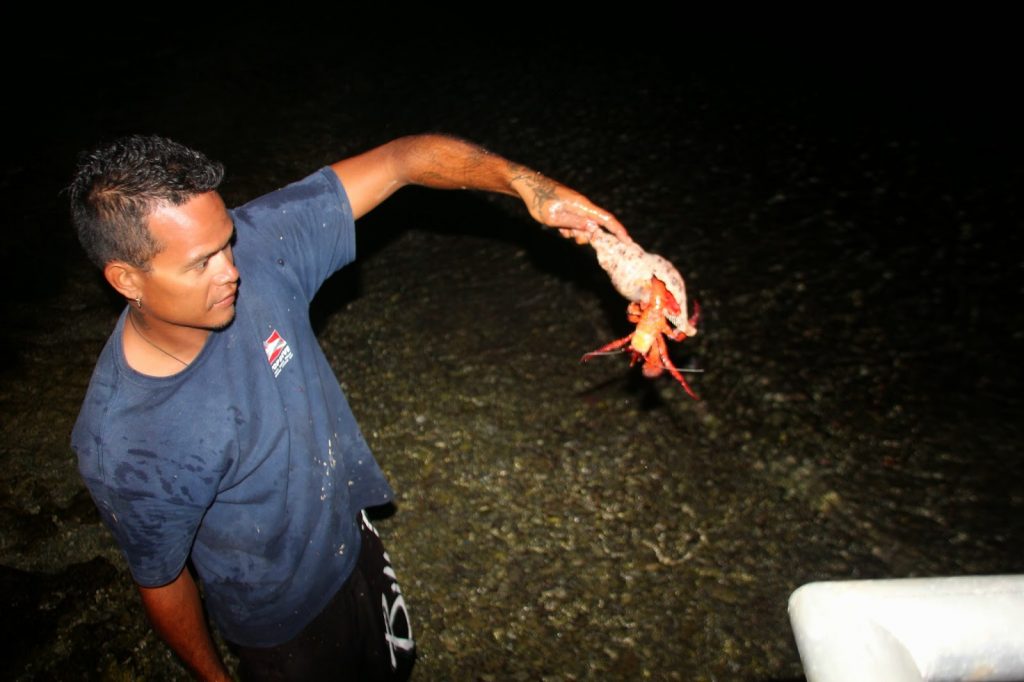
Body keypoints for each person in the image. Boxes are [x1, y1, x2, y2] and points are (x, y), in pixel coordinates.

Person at [69, 133, 630, 681]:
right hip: (285, 619)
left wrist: (527, 185)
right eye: (200, 263)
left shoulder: (258, 249)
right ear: (125, 279)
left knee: (394, 664)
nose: (232, 270)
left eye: (227, 241)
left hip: (351, 531)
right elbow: (162, 582)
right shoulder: (128, 442)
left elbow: (401, 160)